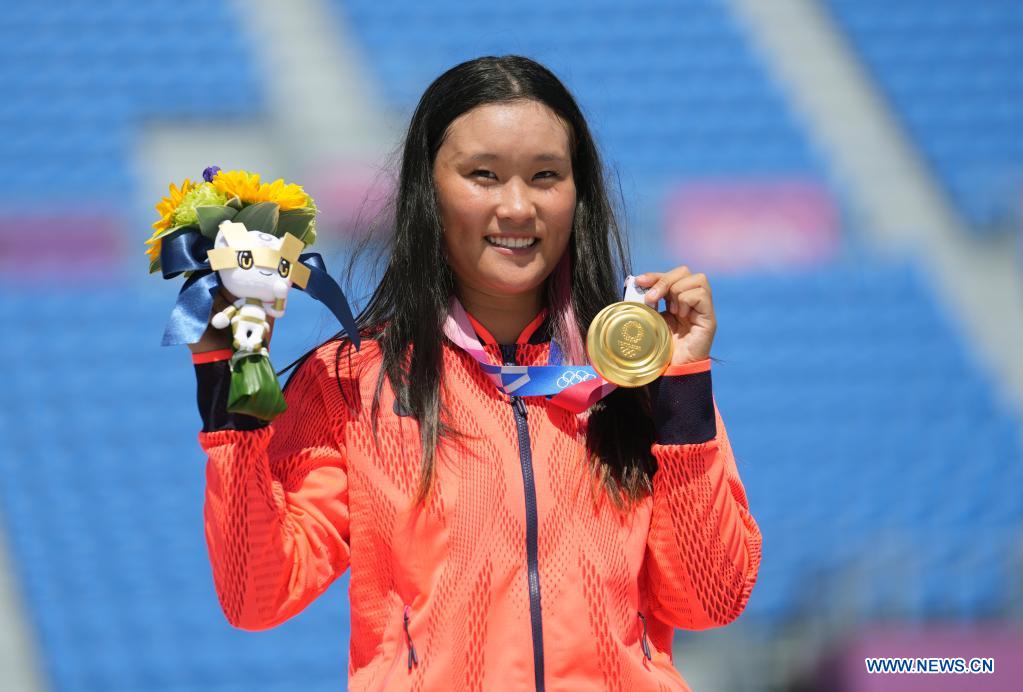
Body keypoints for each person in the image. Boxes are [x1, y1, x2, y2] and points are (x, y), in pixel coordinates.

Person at [188, 55, 762, 692]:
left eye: (546, 176)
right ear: (428, 191)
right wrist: (230, 377)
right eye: (483, 175)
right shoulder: (352, 380)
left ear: (578, 193)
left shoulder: (630, 373)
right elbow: (257, 595)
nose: (517, 206)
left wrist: (682, 391)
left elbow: (711, 599)